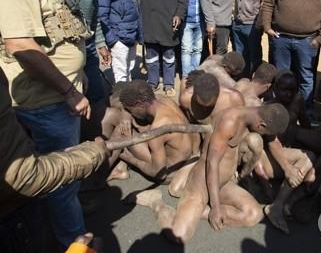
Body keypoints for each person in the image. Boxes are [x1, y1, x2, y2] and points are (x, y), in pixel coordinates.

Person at [0, 0, 93, 248]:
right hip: (46, 101)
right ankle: (73, 241)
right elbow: (21, 46)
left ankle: (61, 226)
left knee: (60, 179)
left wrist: (75, 71)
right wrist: (68, 91)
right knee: (59, 176)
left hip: (55, 95)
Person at [127, 103, 289, 244]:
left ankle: (197, 212)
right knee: (179, 236)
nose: (264, 136)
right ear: (261, 125)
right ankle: (156, 202)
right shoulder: (230, 122)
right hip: (202, 183)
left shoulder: (252, 115)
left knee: (253, 215)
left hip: (223, 183)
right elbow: (212, 163)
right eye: (265, 133)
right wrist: (216, 207)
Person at [0, 66, 108, 253]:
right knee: (61, 191)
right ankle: (69, 240)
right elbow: (24, 176)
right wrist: (92, 154)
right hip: (12, 221)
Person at [57, 0, 111, 140]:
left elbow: (94, 16)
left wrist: (100, 42)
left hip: (87, 49)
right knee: (70, 101)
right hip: (65, 53)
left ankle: (95, 137)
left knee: (97, 94)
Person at [117, 80, 200, 197]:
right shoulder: (163, 100)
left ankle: (103, 176)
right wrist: (125, 116)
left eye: (131, 110)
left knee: (120, 132)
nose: (131, 114)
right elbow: (123, 106)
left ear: (140, 105)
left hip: (169, 171)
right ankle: (118, 167)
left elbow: (158, 173)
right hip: (185, 156)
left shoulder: (158, 128)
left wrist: (128, 158)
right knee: (124, 122)